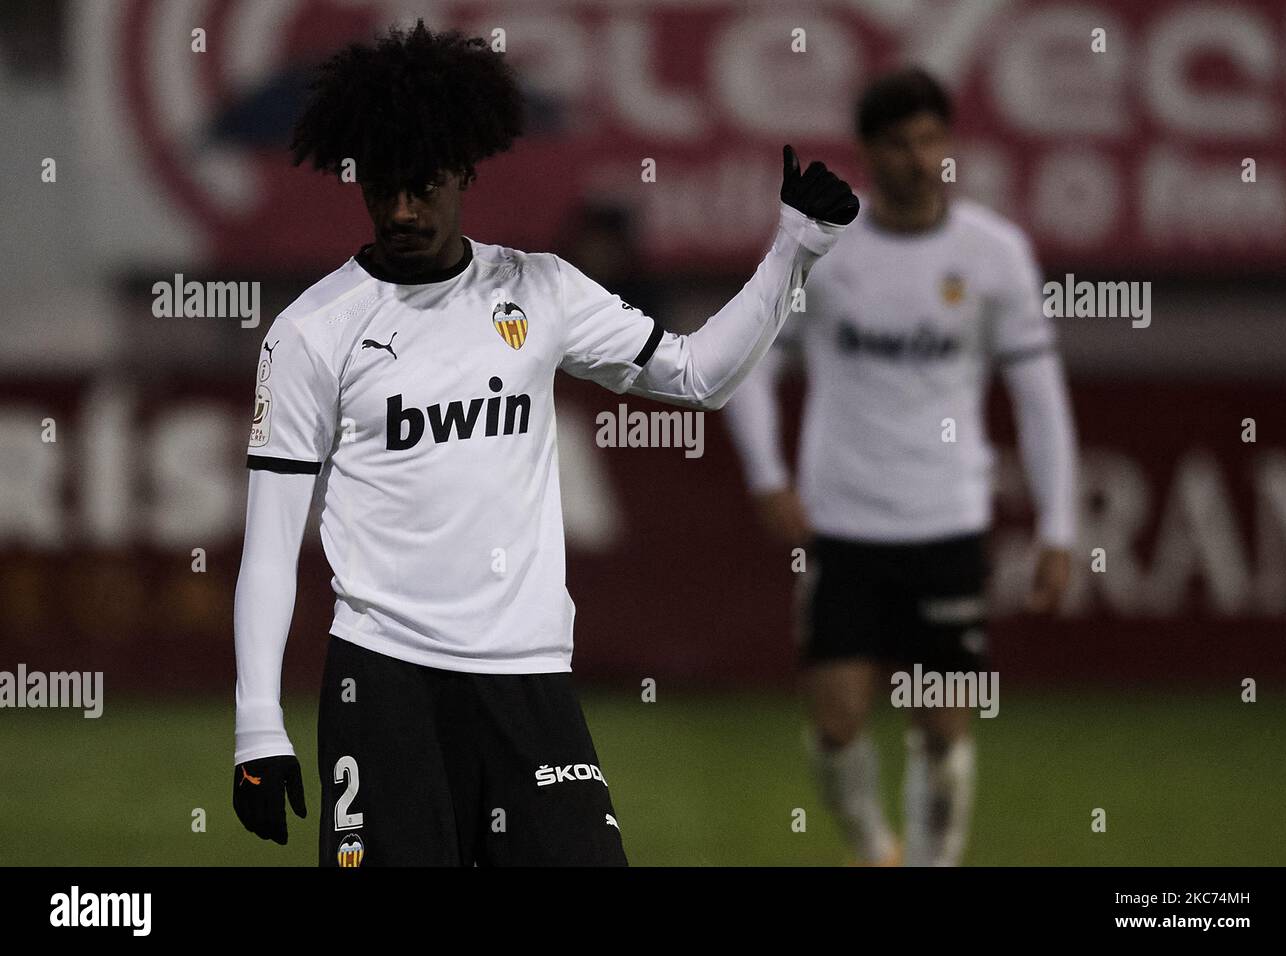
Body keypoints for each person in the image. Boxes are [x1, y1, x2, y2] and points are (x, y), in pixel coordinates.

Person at [230, 21, 859, 866]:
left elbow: (698, 376)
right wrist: (257, 729)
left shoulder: (542, 290)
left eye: (423, 185)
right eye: (384, 188)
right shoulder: (312, 333)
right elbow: (269, 548)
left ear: (463, 171)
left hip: (527, 676)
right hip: (384, 681)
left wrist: (794, 251)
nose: (404, 209)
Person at [725, 67, 1078, 866]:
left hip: (948, 521)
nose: (919, 159)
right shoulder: (826, 247)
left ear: (948, 145)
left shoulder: (994, 254)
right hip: (844, 523)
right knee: (837, 720)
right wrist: (767, 477)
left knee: (942, 728)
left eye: (930, 140)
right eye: (899, 143)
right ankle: (871, 847)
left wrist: (1059, 528)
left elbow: (1039, 395)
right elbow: (749, 359)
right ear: (868, 153)